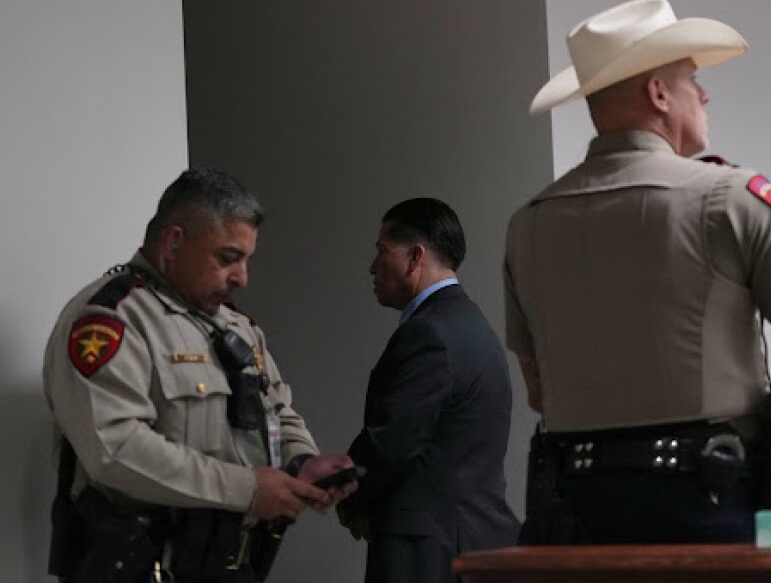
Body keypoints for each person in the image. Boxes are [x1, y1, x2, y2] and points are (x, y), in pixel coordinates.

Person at [504, 0, 771, 544]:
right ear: (658, 93)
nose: (704, 92)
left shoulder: (527, 226)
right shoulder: (733, 199)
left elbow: (540, 391)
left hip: (573, 523)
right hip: (708, 509)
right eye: (691, 77)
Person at [44, 167, 356, 582]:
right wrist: (247, 489)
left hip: (232, 565)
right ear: (174, 242)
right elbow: (115, 450)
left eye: (246, 260)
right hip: (145, 570)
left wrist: (301, 462)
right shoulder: (113, 320)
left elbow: (277, 410)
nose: (242, 277)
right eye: (227, 258)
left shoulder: (236, 327)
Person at [337, 198, 520, 583]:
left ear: (414, 256)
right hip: (474, 540)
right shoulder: (475, 327)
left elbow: (393, 440)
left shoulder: (429, 333)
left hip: (428, 554)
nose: (372, 267)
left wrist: (347, 494)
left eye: (381, 251)